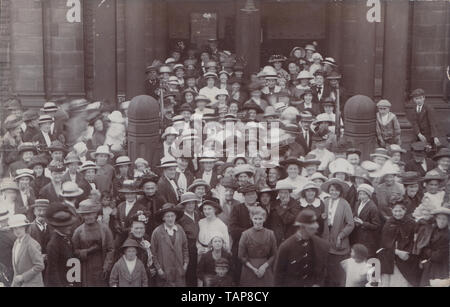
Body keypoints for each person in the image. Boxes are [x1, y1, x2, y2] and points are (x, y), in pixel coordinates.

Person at [273, 209, 329, 287]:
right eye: (312, 228)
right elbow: (278, 276)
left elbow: (322, 271)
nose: (316, 229)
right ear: (302, 227)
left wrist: (318, 284)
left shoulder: (320, 245)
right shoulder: (286, 247)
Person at [72, 199, 114, 287]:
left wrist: (106, 266)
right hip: (85, 266)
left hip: (101, 265)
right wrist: (88, 251)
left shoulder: (104, 229)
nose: (87, 217)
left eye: (90, 214)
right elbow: (74, 252)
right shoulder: (78, 231)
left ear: (95, 214)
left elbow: (111, 249)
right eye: (85, 215)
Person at [321, 178, 355, 286]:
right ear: (328, 191)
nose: (334, 192)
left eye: (336, 190)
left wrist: (341, 235)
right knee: (327, 272)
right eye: (331, 190)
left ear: (340, 192)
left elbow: (351, 224)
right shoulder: (325, 202)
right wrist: (322, 217)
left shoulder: (344, 204)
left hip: (339, 243)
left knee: (338, 273)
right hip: (326, 241)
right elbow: (321, 219)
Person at [378, 200, 419, 287]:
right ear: (392, 211)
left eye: (400, 211)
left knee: (404, 281)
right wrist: (396, 251)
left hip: (406, 256)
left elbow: (414, 241)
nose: (397, 213)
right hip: (391, 256)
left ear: (405, 211)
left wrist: (407, 253)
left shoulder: (411, 223)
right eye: (395, 211)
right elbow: (384, 242)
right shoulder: (389, 223)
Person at [150, 203, 189, 287]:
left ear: (176, 217)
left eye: (172, 216)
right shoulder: (157, 232)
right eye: (167, 216)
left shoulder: (180, 229)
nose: (170, 219)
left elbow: (185, 248)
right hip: (165, 270)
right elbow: (153, 253)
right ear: (163, 218)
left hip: (179, 269)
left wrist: (185, 264)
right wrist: (159, 269)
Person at [238, 206, 277, 287]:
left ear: (264, 219)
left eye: (260, 218)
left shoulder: (270, 234)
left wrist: (264, 267)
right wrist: (254, 269)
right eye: (255, 218)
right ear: (251, 218)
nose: (258, 221)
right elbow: (241, 256)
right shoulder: (245, 234)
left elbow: (274, 254)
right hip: (249, 270)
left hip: (266, 269)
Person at [8, 214, 44, 287]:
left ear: (25, 227)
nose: (17, 231)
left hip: (33, 284)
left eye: (20, 227)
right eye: (15, 228)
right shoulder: (16, 242)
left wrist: (23, 277)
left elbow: (40, 266)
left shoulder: (31, 244)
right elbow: (16, 268)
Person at [417, 207, 449, 286]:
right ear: (436, 219)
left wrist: (426, 251)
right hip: (429, 265)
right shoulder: (432, 230)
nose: (441, 221)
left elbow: (438, 256)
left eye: (444, 219)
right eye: (439, 218)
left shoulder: (447, 235)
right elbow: (423, 245)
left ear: (448, 221)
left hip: (441, 267)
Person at [111, 180, 146, 249]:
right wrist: (117, 226)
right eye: (127, 194)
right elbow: (116, 219)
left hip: (134, 235)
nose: (130, 196)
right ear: (124, 194)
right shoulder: (120, 205)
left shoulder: (141, 207)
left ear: (136, 194)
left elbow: (142, 224)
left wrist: (129, 229)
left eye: (132, 194)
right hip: (120, 235)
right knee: (115, 248)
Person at [176, 192, 201, 287]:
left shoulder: (197, 214)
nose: (191, 205)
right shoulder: (181, 218)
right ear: (184, 205)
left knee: (198, 271)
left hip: (199, 247)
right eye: (188, 203)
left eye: (193, 203)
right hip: (188, 248)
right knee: (190, 272)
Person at [350, 184, 381, 258]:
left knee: (366, 256)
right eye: (360, 194)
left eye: (365, 194)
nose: (362, 196)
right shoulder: (357, 203)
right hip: (358, 235)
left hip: (367, 238)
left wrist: (363, 223)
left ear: (369, 195)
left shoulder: (372, 207)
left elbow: (376, 225)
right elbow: (356, 213)